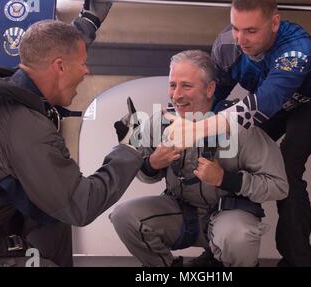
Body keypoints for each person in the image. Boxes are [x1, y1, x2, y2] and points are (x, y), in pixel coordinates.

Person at [164, 0, 311, 267]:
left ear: (275, 23)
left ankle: (298, 261)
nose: (241, 39)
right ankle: (218, 247)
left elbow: (263, 105)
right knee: (228, 152)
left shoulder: (297, 49)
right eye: (236, 28)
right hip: (263, 102)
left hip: (309, 104)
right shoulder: (226, 45)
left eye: (251, 31)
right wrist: (184, 123)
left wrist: (198, 128)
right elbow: (213, 98)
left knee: (288, 170)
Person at [0, 19, 142, 267]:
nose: (86, 71)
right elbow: (80, 205)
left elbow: (57, 44)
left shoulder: (4, 86)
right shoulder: (24, 123)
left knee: (53, 223)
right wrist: (129, 149)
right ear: (60, 67)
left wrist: (89, 20)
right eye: (83, 63)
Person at [110, 50, 288, 267]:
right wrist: (152, 164)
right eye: (173, 85)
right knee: (123, 216)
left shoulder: (240, 128)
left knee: (238, 236)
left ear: (210, 88)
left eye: (186, 86)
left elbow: (279, 186)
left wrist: (226, 179)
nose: (176, 95)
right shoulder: (160, 123)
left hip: (229, 218)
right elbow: (141, 172)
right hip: (182, 215)